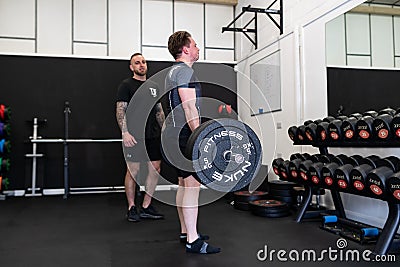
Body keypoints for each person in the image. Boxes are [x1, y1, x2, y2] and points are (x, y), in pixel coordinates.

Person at [162, 31, 220, 254]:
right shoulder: (184, 71)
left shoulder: (172, 72)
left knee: (184, 183)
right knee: (193, 185)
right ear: (185, 49)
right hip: (184, 135)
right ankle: (193, 241)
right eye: (195, 45)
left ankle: (186, 231)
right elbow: (188, 107)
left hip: (174, 134)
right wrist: (200, 137)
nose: (198, 48)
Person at [116, 53, 165, 222]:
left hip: (152, 135)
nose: (141, 65)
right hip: (134, 136)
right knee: (133, 171)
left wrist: (164, 130)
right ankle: (131, 207)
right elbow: (120, 110)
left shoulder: (153, 86)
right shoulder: (126, 85)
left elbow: (159, 111)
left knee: (155, 169)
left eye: (143, 62)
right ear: (132, 67)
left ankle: (146, 205)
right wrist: (125, 132)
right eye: (137, 63)